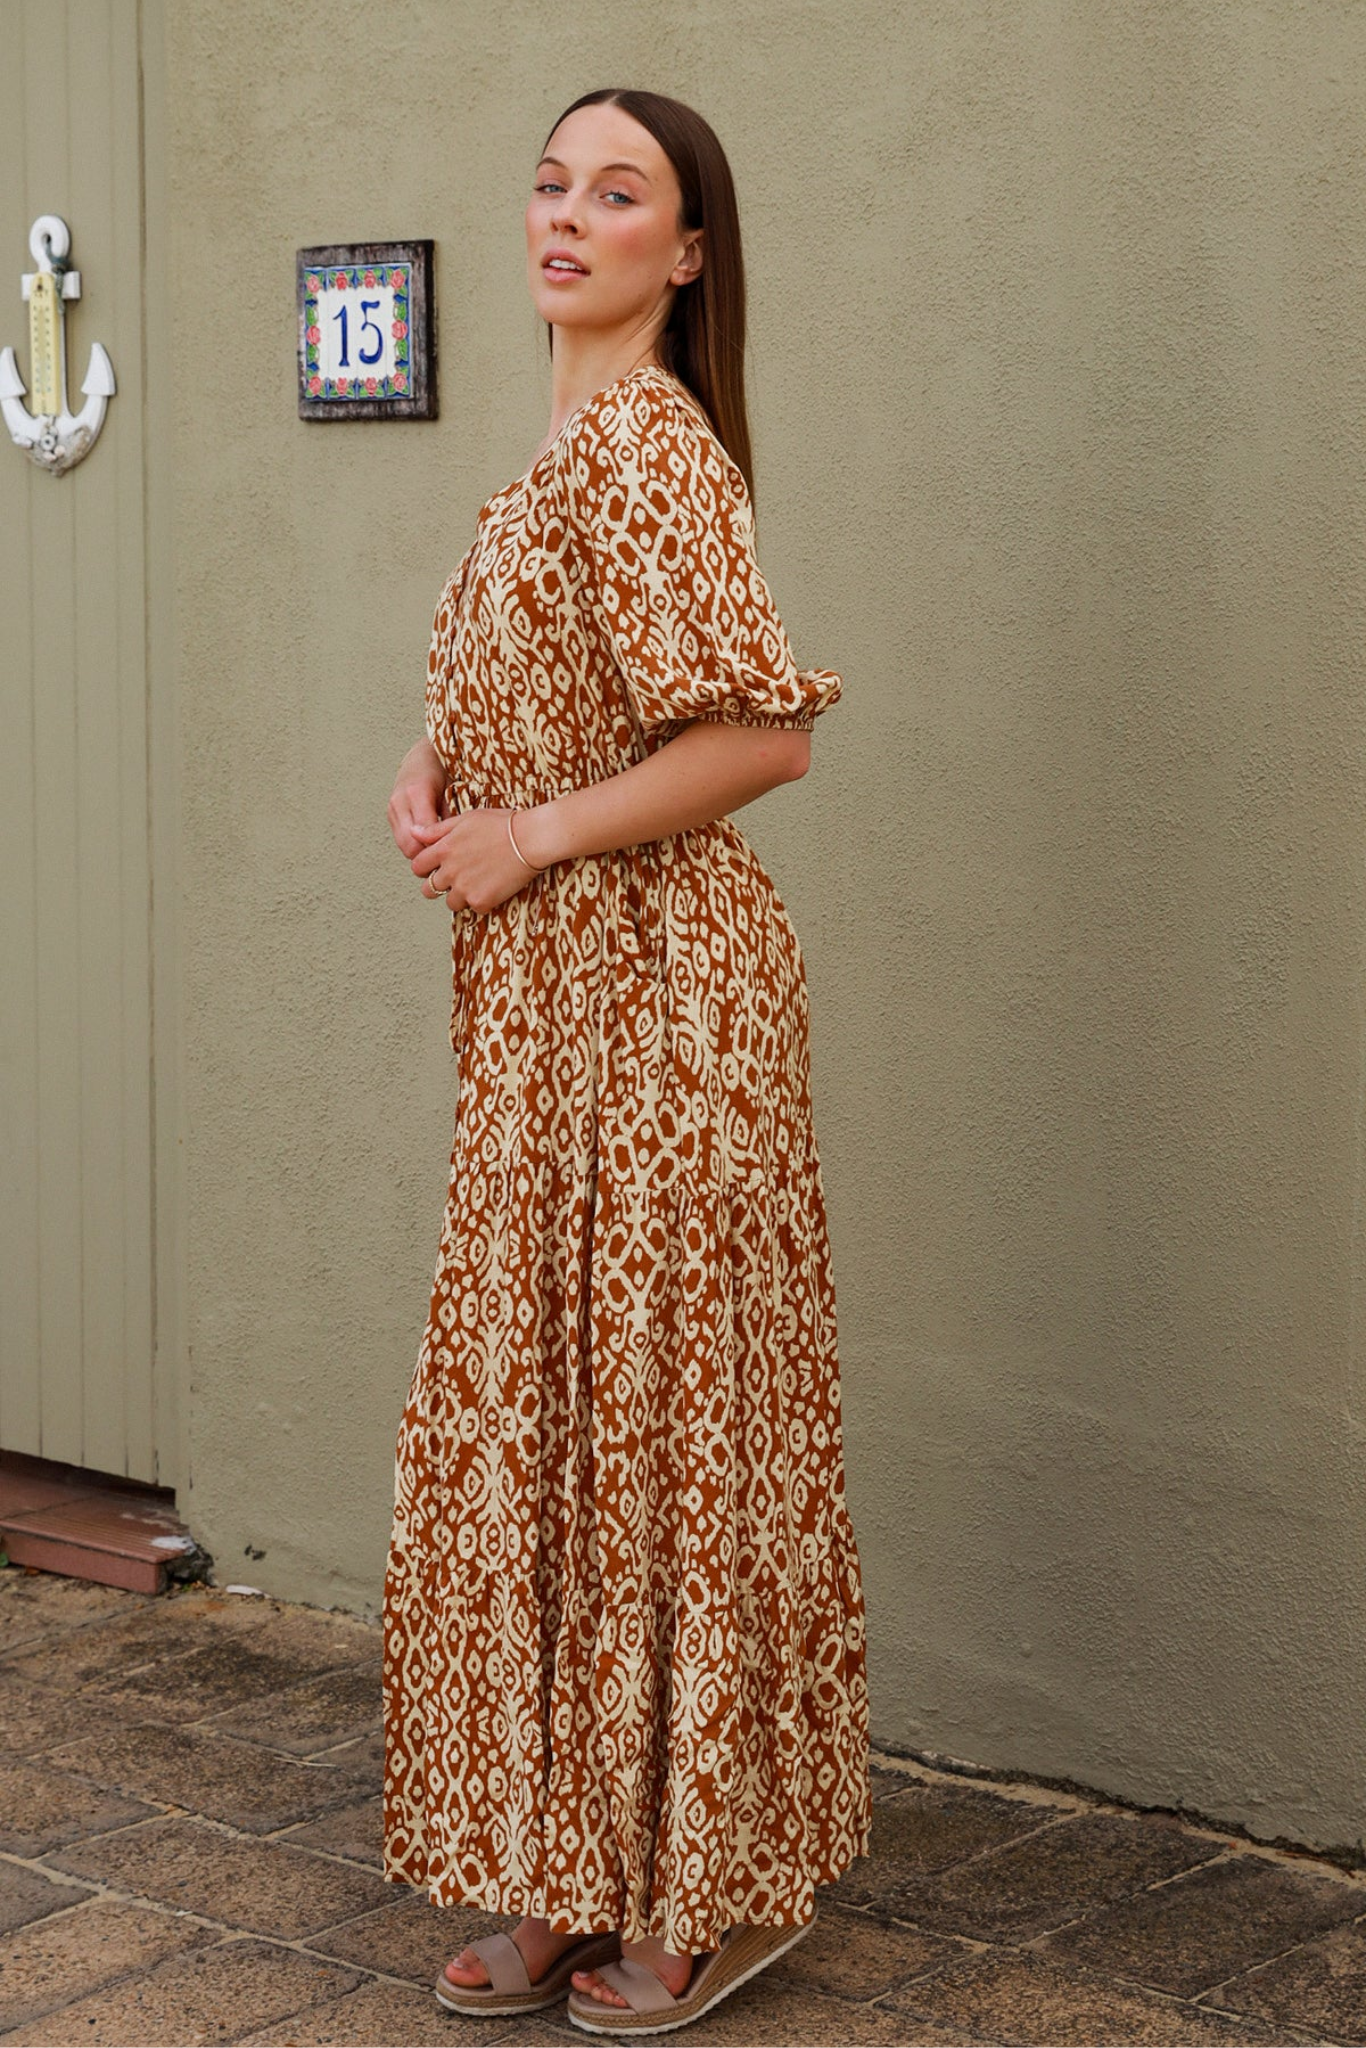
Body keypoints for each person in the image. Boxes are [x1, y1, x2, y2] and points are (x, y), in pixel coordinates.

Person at [382, 86, 872, 2037]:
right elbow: (544, 707)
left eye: (618, 192)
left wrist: (536, 833)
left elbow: (762, 740)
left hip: (665, 1021)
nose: (564, 216)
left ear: (683, 254)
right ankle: (563, 1866)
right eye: (549, 181)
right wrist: (442, 780)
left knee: (661, 1448)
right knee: (556, 1441)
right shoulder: (553, 457)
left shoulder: (650, 446)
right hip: (542, 1026)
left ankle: (709, 1883)